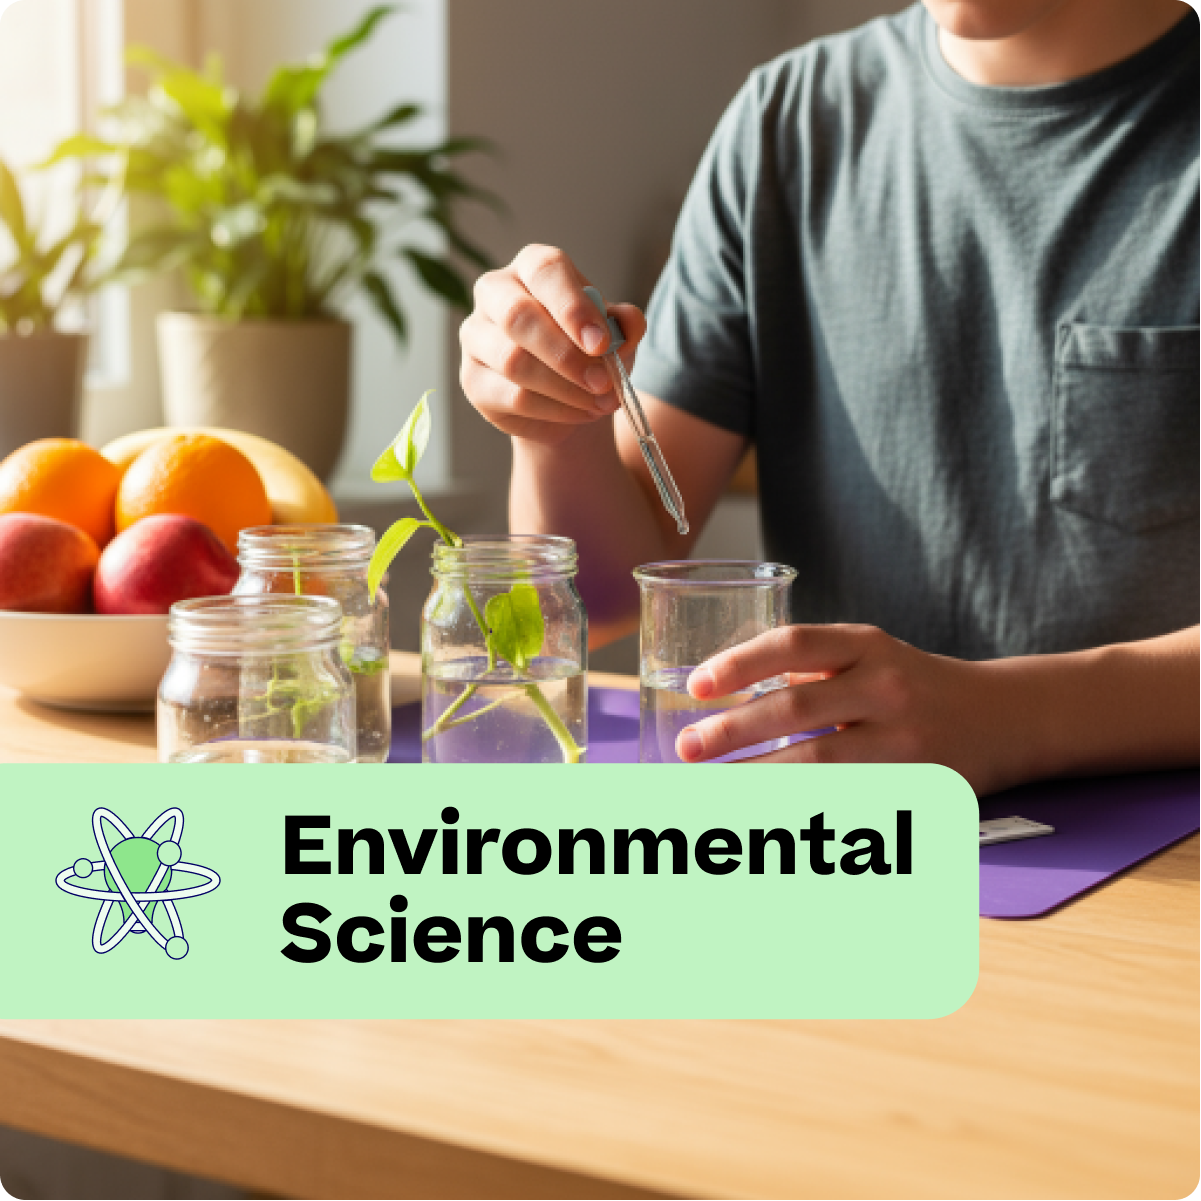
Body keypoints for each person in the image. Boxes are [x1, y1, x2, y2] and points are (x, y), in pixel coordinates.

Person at [457, 0, 1199, 794]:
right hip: (850, 829)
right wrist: (553, 428)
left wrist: (1012, 715)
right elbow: (603, 594)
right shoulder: (787, 123)